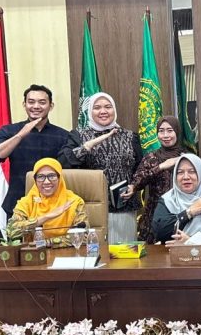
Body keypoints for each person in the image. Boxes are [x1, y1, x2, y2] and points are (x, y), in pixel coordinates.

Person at [58, 92, 142, 242]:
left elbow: (140, 168)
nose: (103, 111)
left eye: (108, 107)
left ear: (114, 109)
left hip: (124, 207)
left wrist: (134, 186)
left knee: (125, 253)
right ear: (90, 112)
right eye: (97, 108)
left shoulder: (130, 136)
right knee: (96, 252)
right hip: (91, 209)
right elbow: (63, 163)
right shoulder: (78, 136)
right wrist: (86, 147)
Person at [0, 84, 70, 217]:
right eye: (31, 102)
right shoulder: (9, 131)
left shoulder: (63, 136)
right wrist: (20, 135)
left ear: (51, 106)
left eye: (42, 102)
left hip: (53, 206)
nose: (36, 106)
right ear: (24, 105)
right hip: (18, 205)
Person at [122, 117, 184, 243]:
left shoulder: (186, 157)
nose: (165, 135)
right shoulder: (151, 157)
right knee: (153, 253)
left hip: (182, 212)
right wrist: (161, 167)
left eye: (170, 130)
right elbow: (137, 182)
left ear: (177, 132)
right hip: (155, 214)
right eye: (161, 131)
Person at [151, 153, 201, 245]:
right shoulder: (167, 199)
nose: (186, 177)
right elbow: (159, 233)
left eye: (192, 171)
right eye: (180, 172)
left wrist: (190, 240)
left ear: (200, 174)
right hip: (171, 251)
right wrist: (189, 213)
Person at [7, 158, 87, 247]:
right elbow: (11, 232)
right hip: (33, 253)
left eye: (52, 176)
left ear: (59, 178)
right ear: (35, 180)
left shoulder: (74, 202)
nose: (46, 181)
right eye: (41, 177)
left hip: (67, 253)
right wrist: (45, 217)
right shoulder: (26, 203)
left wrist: (48, 242)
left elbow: (84, 237)